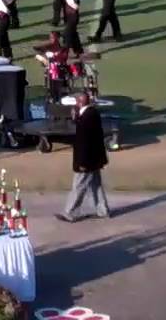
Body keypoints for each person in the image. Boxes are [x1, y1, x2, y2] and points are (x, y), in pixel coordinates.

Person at [60, 92, 110, 222]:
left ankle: (70, 212)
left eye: (77, 101)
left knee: (79, 185)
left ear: (80, 102)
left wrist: (82, 162)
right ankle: (102, 210)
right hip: (95, 157)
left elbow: (84, 140)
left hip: (87, 159)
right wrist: (76, 118)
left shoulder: (87, 117)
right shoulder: (92, 114)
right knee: (96, 185)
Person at [34, 31, 77, 102]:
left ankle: (62, 98)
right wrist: (44, 59)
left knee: (63, 93)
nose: (52, 40)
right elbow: (36, 50)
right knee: (53, 91)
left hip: (62, 73)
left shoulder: (63, 49)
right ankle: (53, 98)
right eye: (50, 38)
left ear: (58, 38)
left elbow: (70, 59)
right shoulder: (47, 48)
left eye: (54, 38)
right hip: (51, 74)